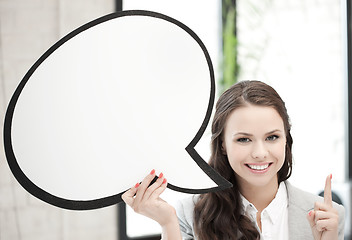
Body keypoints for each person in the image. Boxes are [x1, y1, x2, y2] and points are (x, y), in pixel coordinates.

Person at [122, 80, 345, 240]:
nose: (260, 152)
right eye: (244, 139)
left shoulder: (328, 218)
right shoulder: (189, 214)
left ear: (286, 140)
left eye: (272, 137)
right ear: (223, 145)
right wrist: (167, 223)